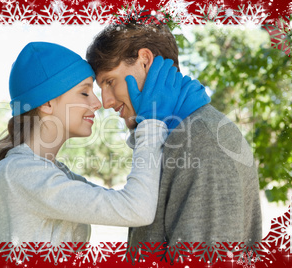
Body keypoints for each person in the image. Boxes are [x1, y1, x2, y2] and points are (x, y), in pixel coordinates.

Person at [0, 41, 185, 244]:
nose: (98, 103)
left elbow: (132, 200)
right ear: (48, 103)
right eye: (84, 92)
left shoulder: (53, 172)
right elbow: (136, 209)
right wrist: (150, 122)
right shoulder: (20, 172)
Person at [86, 22, 262, 246]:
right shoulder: (175, 135)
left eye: (110, 82)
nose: (106, 102)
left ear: (145, 61)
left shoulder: (201, 140)